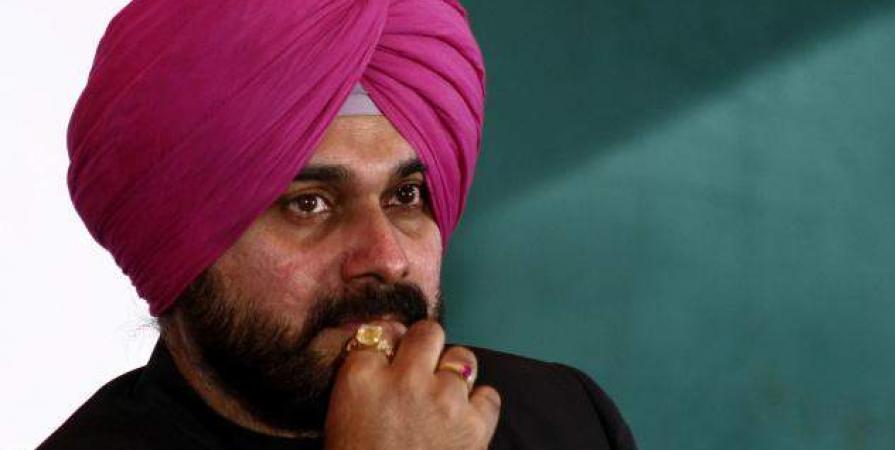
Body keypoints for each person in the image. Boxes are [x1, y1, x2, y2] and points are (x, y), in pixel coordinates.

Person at [40, 0, 638, 449]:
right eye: (310, 204)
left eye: (405, 195)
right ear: (179, 246)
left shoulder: (563, 419)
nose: (386, 257)